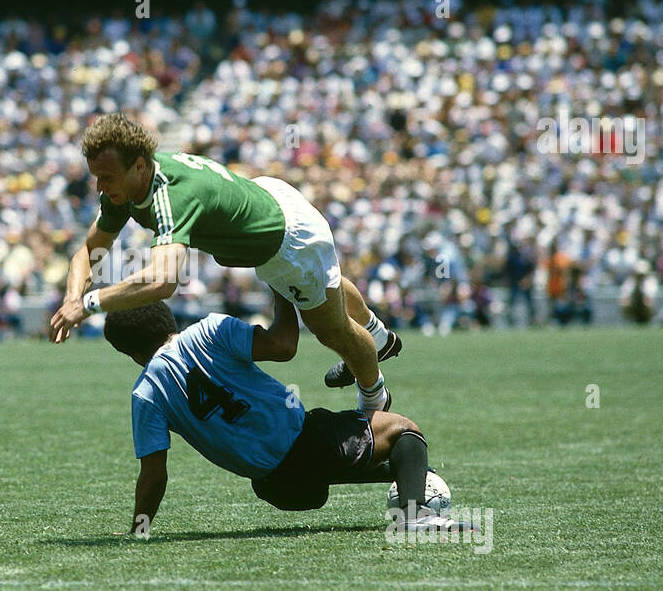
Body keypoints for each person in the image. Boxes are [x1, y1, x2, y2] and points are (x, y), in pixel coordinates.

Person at [50, 113, 400, 415]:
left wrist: (89, 303)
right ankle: (379, 337)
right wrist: (71, 299)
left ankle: (374, 398)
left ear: (139, 166)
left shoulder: (169, 196)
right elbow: (87, 249)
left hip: (287, 242)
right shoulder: (127, 186)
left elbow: (163, 281)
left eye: (106, 176)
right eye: (96, 175)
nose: (99, 185)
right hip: (271, 204)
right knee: (324, 285)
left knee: (331, 330)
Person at [102, 295, 475, 535]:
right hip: (306, 441)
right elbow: (283, 345)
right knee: (402, 429)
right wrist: (282, 290)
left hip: (274, 486)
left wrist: (140, 528)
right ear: (166, 316)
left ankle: (406, 473)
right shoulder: (208, 331)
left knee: (334, 448)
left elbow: (153, 474)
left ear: (128, 351)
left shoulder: (145, 393)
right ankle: (415, 518)